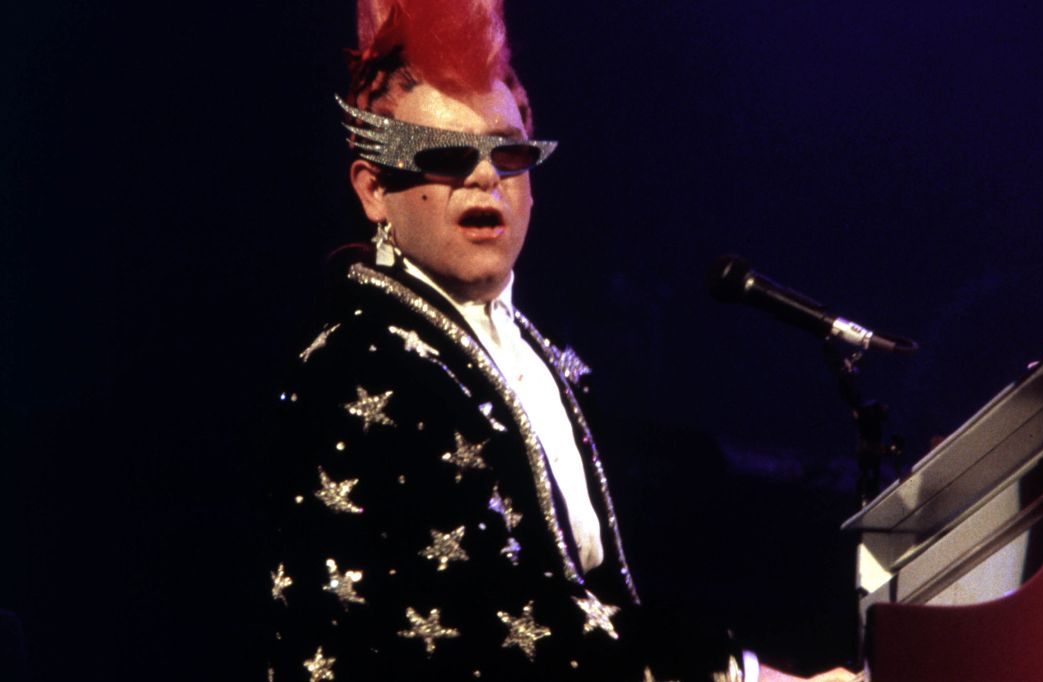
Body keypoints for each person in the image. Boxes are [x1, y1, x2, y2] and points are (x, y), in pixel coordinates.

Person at [263, 1, 857, 680]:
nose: (485, 176)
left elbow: (601, 600)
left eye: (509, 153)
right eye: (447, 155)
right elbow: (486, 622)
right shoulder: (358, 362)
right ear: (374, 190)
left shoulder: (537, 359)